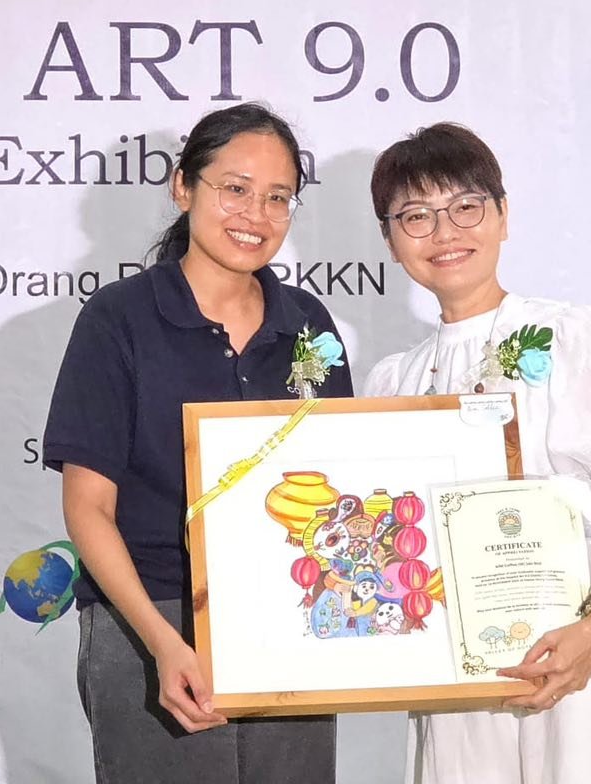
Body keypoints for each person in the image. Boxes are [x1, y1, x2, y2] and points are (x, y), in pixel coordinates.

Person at [43, 103, 353, 784]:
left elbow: (337, 488)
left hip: (289, 616)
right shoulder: (118, 318)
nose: (256, 215)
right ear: (183, 187)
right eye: (235, 189)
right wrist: (163, 644)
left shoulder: (309, 323)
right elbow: (88, 507)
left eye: (278, 197)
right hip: (151, 617)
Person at [363, 123, 591, 784]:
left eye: (466, 206)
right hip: (457, 680)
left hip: (580, 655)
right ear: (391, 240)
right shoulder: (392, 382)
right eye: (416, 216)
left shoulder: (568, 335)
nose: (444, 232)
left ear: (503, 216)